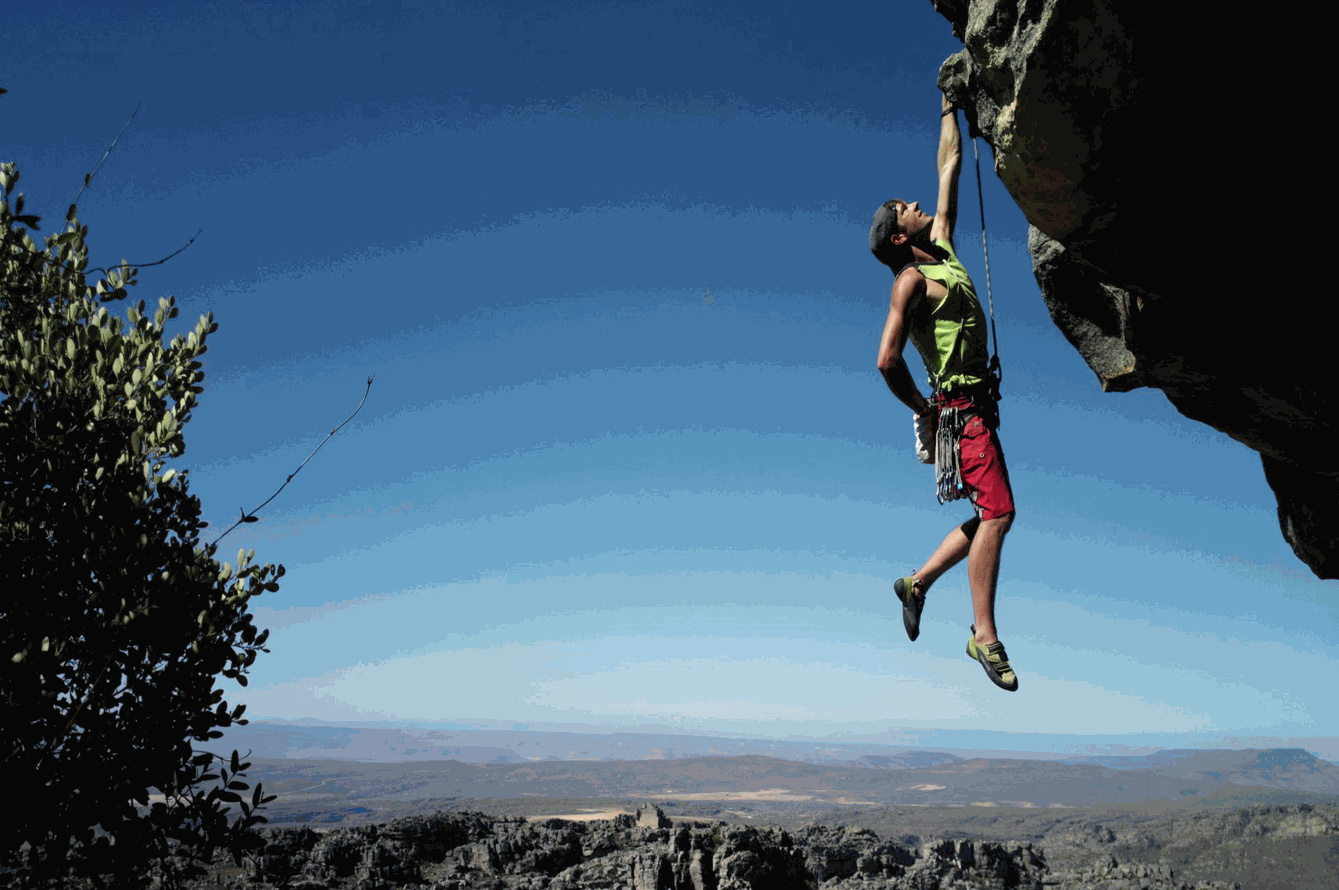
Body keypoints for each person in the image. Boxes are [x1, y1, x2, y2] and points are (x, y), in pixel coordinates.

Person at [867, 92, 1018, 692]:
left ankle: (917, 583)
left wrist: (947, 108)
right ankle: (984, 634)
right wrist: (924, 407)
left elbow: (948, 166)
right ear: (897, 237)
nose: (915, 203)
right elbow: (887, 360)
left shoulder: (945, 250)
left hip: (979, 408)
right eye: (904, 208)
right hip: (961, 412)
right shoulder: (911, 280)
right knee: (999, 513)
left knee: (987, 512)